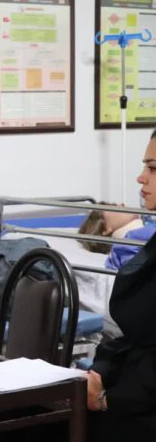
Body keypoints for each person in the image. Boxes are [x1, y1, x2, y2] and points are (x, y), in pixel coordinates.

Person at [86, 129, 156, 441]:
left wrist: (106, 399)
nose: (140, 178)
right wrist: (101, 371)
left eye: (152, 168)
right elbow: (132, 335)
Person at [78, 203, 155, 270]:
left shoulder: (147, 230)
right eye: (113, 206)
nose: (122, 204)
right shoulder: (125, 247)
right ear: (105, 230)